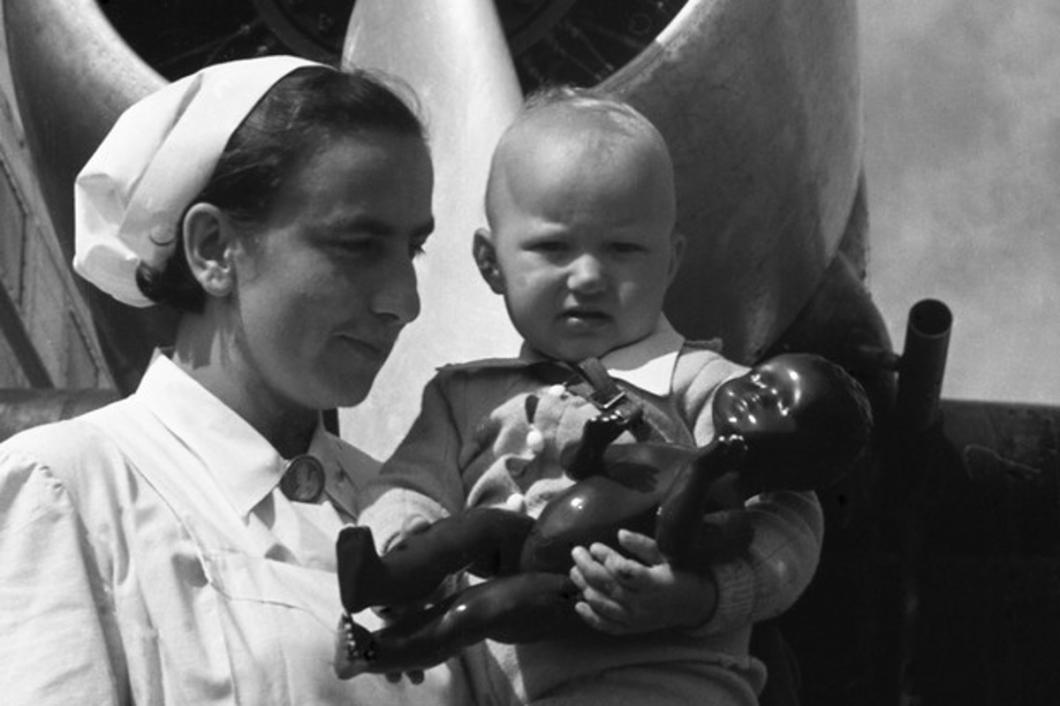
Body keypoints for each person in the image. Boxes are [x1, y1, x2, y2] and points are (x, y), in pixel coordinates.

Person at [0, 56, 473, 705]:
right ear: (214, 248)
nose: (405, 301)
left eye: (411, 249)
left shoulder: (410, 516)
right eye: (358, 244)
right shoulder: (68, 487)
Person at [354, 88, 830, 705]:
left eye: (623, 249)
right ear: (489, 262)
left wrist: (700, 595)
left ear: (670, 262)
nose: (588, 276)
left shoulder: (707, 385)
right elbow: (406, 488)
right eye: (553, 247)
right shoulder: (458, 397)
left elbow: (790, 514)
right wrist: (402, 550)